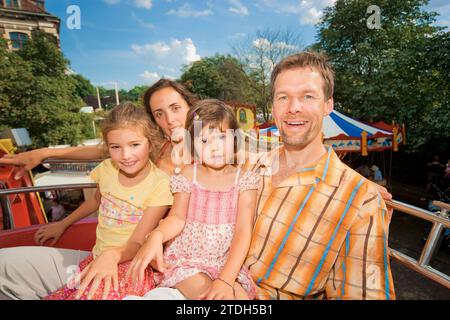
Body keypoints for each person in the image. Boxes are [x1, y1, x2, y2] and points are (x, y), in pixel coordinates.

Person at [0, 63, 394, 300]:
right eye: (158, 114)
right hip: (144, 257)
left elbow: (267, 161)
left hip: (183, 269)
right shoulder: (152, 153)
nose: (169, 119)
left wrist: (354, 184)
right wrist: (42, 154)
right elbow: (107, 149)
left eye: (175, 109)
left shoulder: (243, 161)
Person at [1, 103, 173, 300]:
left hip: (129, 265)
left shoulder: (159, 184)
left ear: (150, 143)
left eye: (135, 145)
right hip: (98, 257)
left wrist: (112, 255)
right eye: (116, 147)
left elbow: (138, 242)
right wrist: (63, 224)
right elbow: (96, 201)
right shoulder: (107, 169)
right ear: (107, 148)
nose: (126, 156)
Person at [125, 100, 259, 300]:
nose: (215, 148)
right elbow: (177, 218)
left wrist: (225, 279)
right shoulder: (188, 175)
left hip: (226, 262)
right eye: (204, 141)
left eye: (222, 137)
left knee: (242, 299)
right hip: (187, 260)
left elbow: (243, 231)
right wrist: (157, 235)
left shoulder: (245, 180)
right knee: (211, 296)